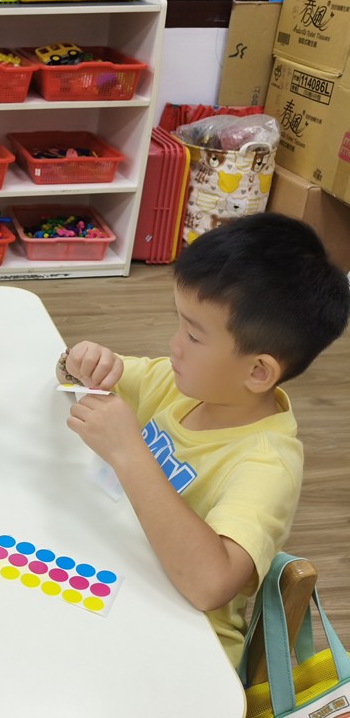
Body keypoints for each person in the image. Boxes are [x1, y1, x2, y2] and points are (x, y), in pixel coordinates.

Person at [57, 212, 350, 667]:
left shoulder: (265, 464)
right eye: (180, 324)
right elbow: (78, 379)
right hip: (117, 576)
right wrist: (78, 362)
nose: (174, 344)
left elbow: (210, 584)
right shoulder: (181, 384)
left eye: (193, 335)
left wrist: (129, 453)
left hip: (186, 648)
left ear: (258, 372)